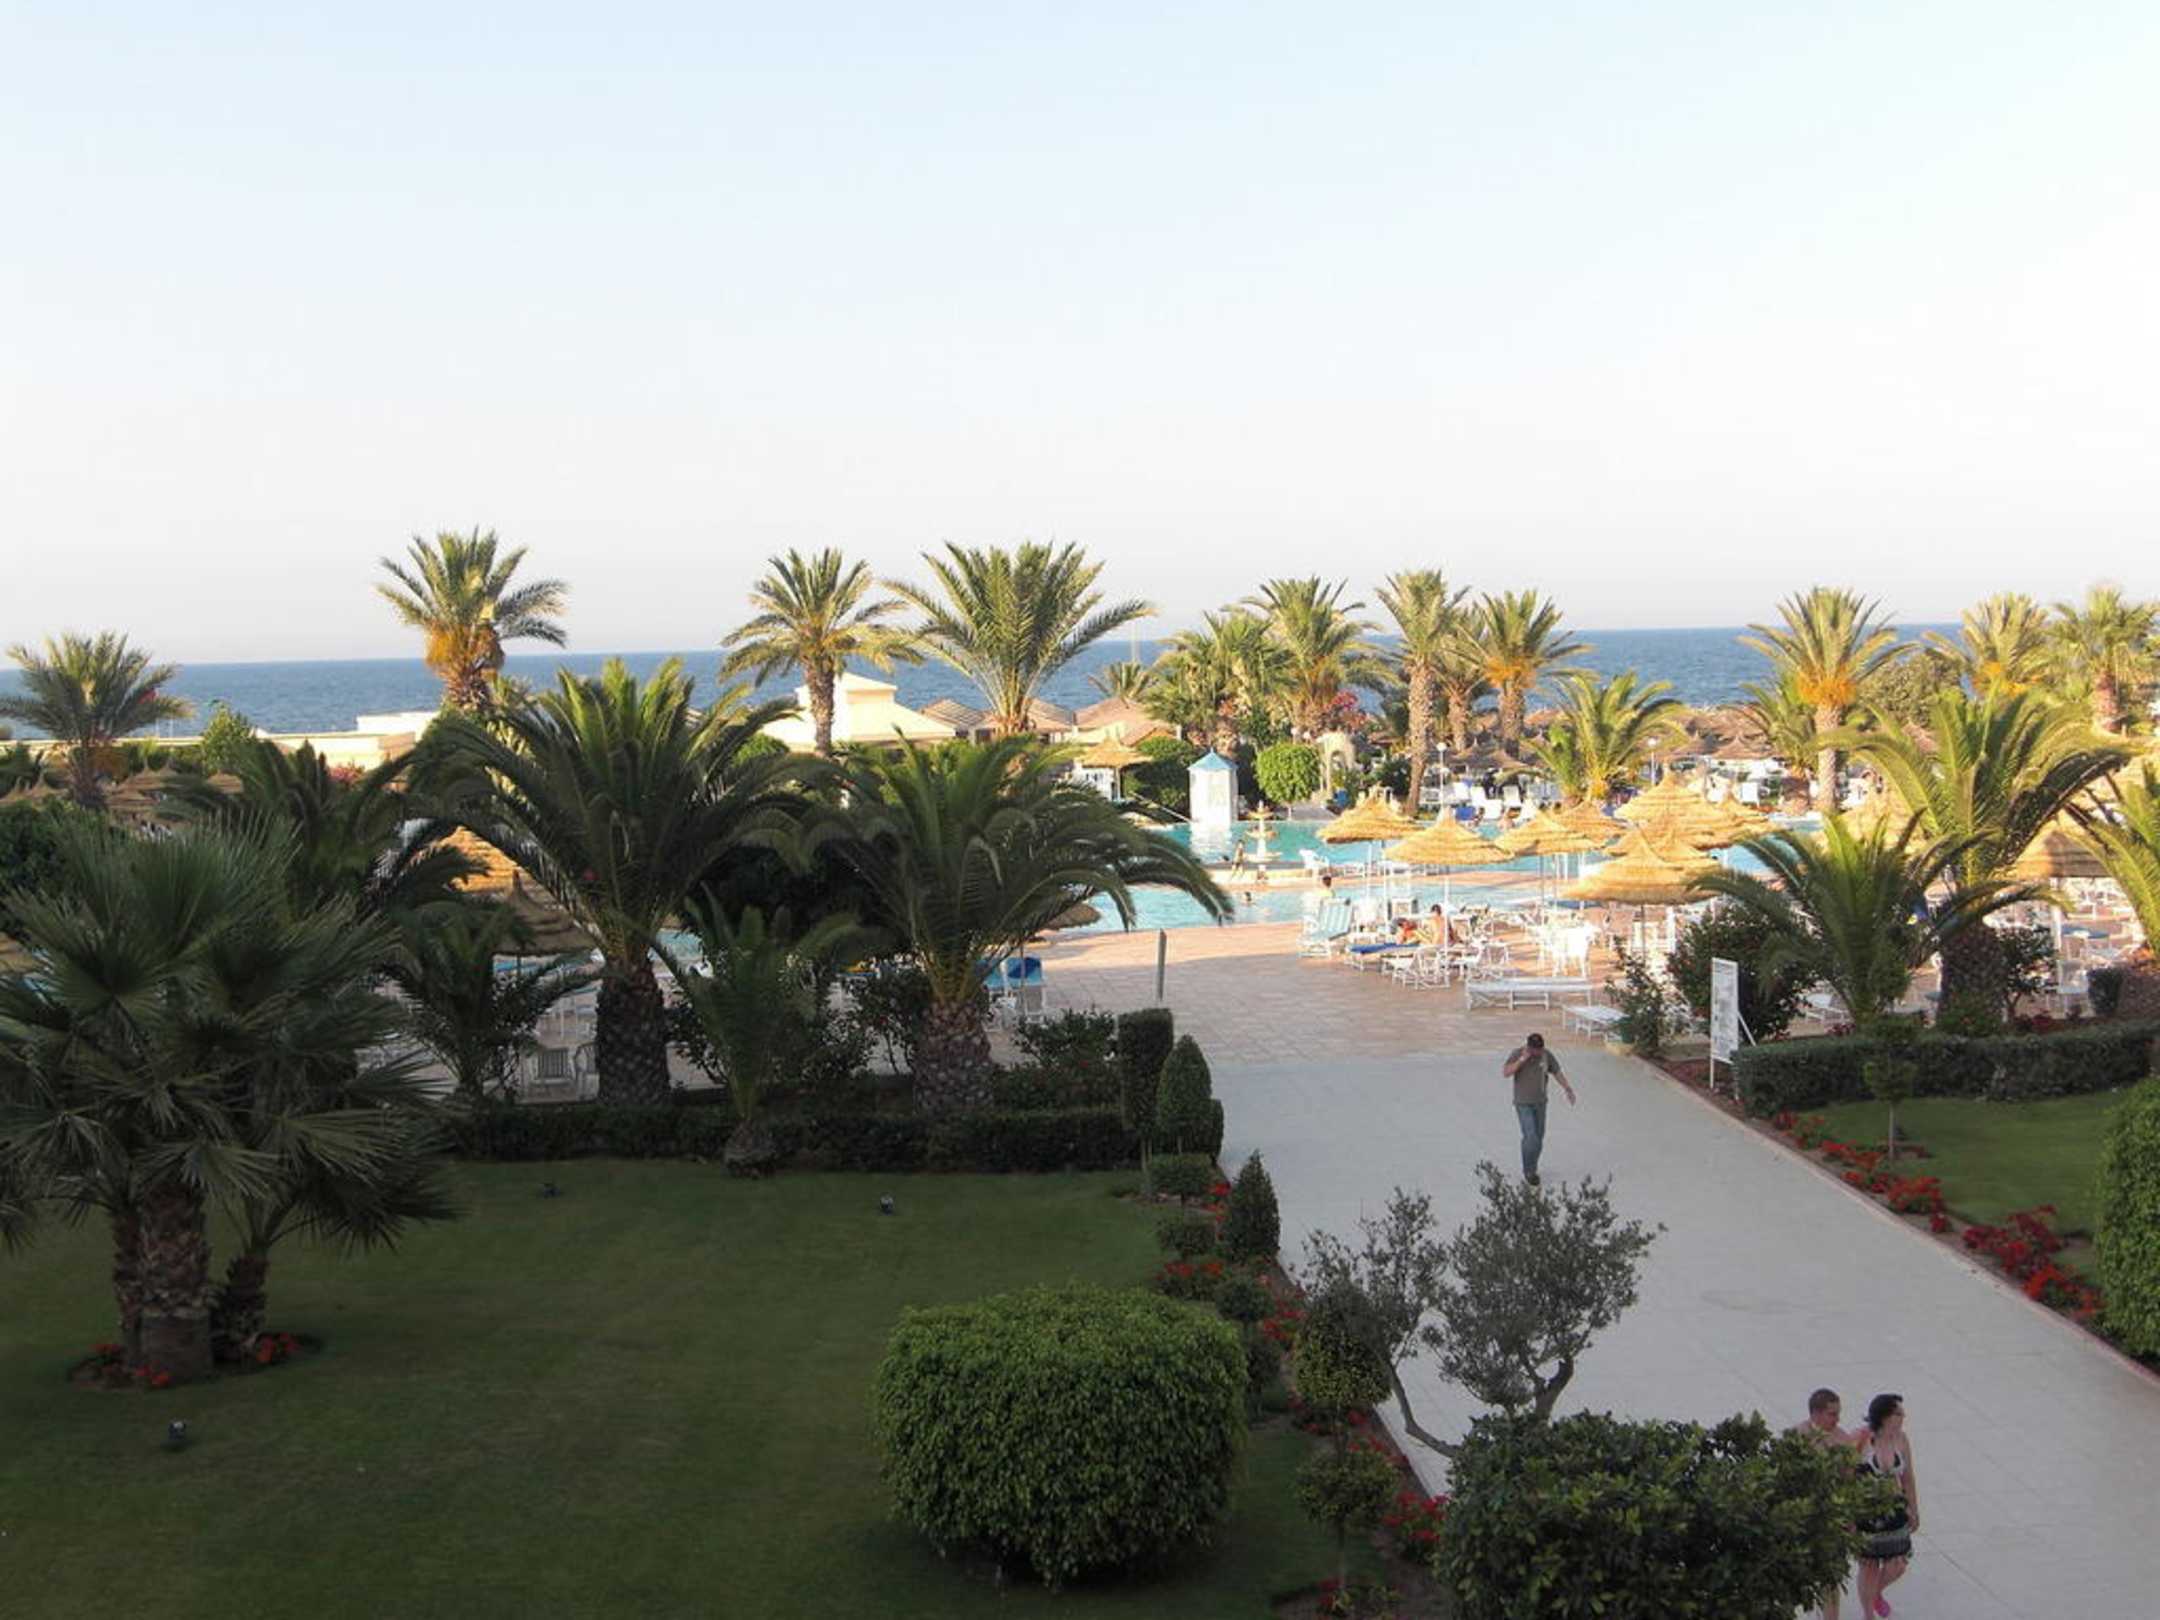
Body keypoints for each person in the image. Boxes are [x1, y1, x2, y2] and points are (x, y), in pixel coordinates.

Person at [1853, 1393, 1919, 1618]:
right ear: (1885, 1416)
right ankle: (1868, 1613)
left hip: (1895, 1508)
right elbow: (1846, 1476)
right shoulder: (1861, 1438)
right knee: (1869, 1565)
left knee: (1898, 1564)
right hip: (1867, 1511)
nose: (1903, 1417)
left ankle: (1875, 1593)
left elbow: (1908, 1478)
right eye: (1898, 1413)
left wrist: (1913, 1508)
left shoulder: (1901, 1439)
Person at [1791, 1389, 1853, 1620]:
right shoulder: (1797, 1436)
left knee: (1831, 1577)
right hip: (1804, 1516)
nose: (1837, 1419)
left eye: (1838, 1413)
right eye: (1832, 1414)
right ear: (1816, 1413)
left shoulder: (1843, 1440)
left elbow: (1850, 1482)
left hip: (1833, 1517)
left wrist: (1850, 1519)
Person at [1500, 1032, 1575, 1186]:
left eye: (1540, 1049)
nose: (1539, 1052)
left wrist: (1567, 1089)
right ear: (1529, 1047)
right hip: (1523, 1103)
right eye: (1536, 1049)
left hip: (1540, 1103)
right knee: (1531, 1137)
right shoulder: (1517, 1054)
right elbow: (1506, 1072)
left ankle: (1532, 1167)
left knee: (1539, 1139)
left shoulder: (1546, 1055)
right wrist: (1522, 1060)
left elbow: (1557, 1072)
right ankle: (1529, 1171)